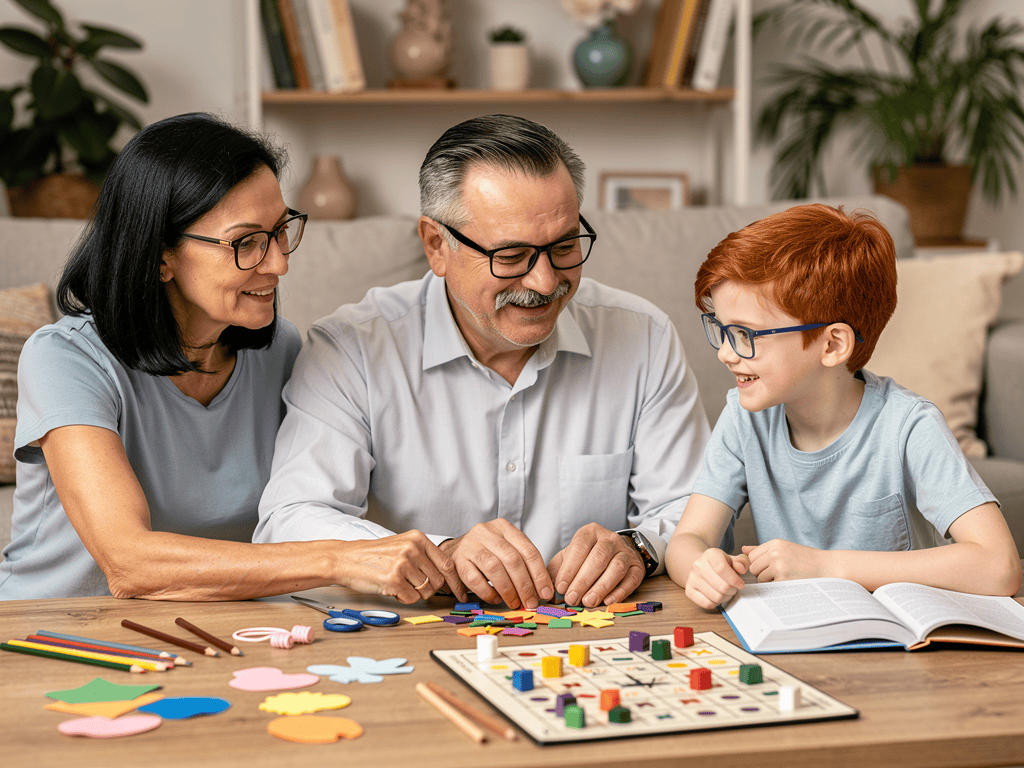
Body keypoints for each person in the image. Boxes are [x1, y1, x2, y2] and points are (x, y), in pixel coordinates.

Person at [256, 114, 711, 610]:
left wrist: (638, 548)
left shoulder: (643, 336)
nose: (544, 281)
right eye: (512, 256)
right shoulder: (352, 350)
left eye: (563, 247)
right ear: (437, 246)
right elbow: (291, 520)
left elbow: (694, 509)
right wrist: (439, 555)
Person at [0, 112, 460, 602]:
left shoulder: (280, 349)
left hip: (215, 630)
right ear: (160, 256)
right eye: (246, 243)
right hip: (53, 635)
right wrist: (338, 559)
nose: (279, 263)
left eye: (281, 231)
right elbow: (130, 563)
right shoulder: (64, 360)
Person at [665, 203, 1022, 609]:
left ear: (833, 344)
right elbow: (686, 542)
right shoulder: (744, 419)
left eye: (746, 335)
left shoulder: (909, 425)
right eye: (721, 330)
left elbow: (999, 566)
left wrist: (825, 565)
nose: (726, 354)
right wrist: (700, 565)